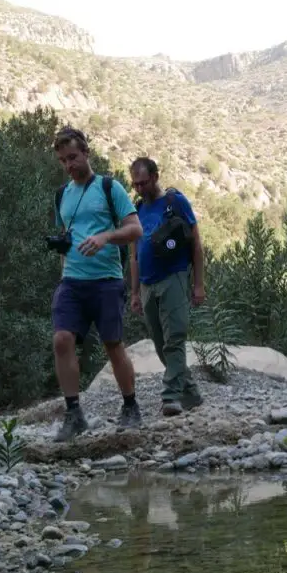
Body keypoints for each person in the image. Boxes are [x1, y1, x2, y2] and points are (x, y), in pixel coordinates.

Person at [51, 126, 143, 442]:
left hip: (106, 280)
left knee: (112, 344)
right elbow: (67, 234)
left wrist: (105, 237)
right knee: (62, 339)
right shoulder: (62, 195)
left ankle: (131, 406)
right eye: (63, 160)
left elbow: (135, 230)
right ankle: (74, 413)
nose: (69, 165)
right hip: (72, 281)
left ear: (87, 152)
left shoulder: (109, 187)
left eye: (73, 157)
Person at [129, 158, 206, 416]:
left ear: (155, 176)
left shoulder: (176, 203)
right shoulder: (137, 209)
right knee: (161, 343)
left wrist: (198, 285)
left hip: (173, 277)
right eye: (135, 184)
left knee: (175, 338)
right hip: (147, 284)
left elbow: (196, 244)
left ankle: (170, 396)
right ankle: (191, 392)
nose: (140, 188)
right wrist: (135, 292)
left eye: (144, 182)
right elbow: (134, 255)